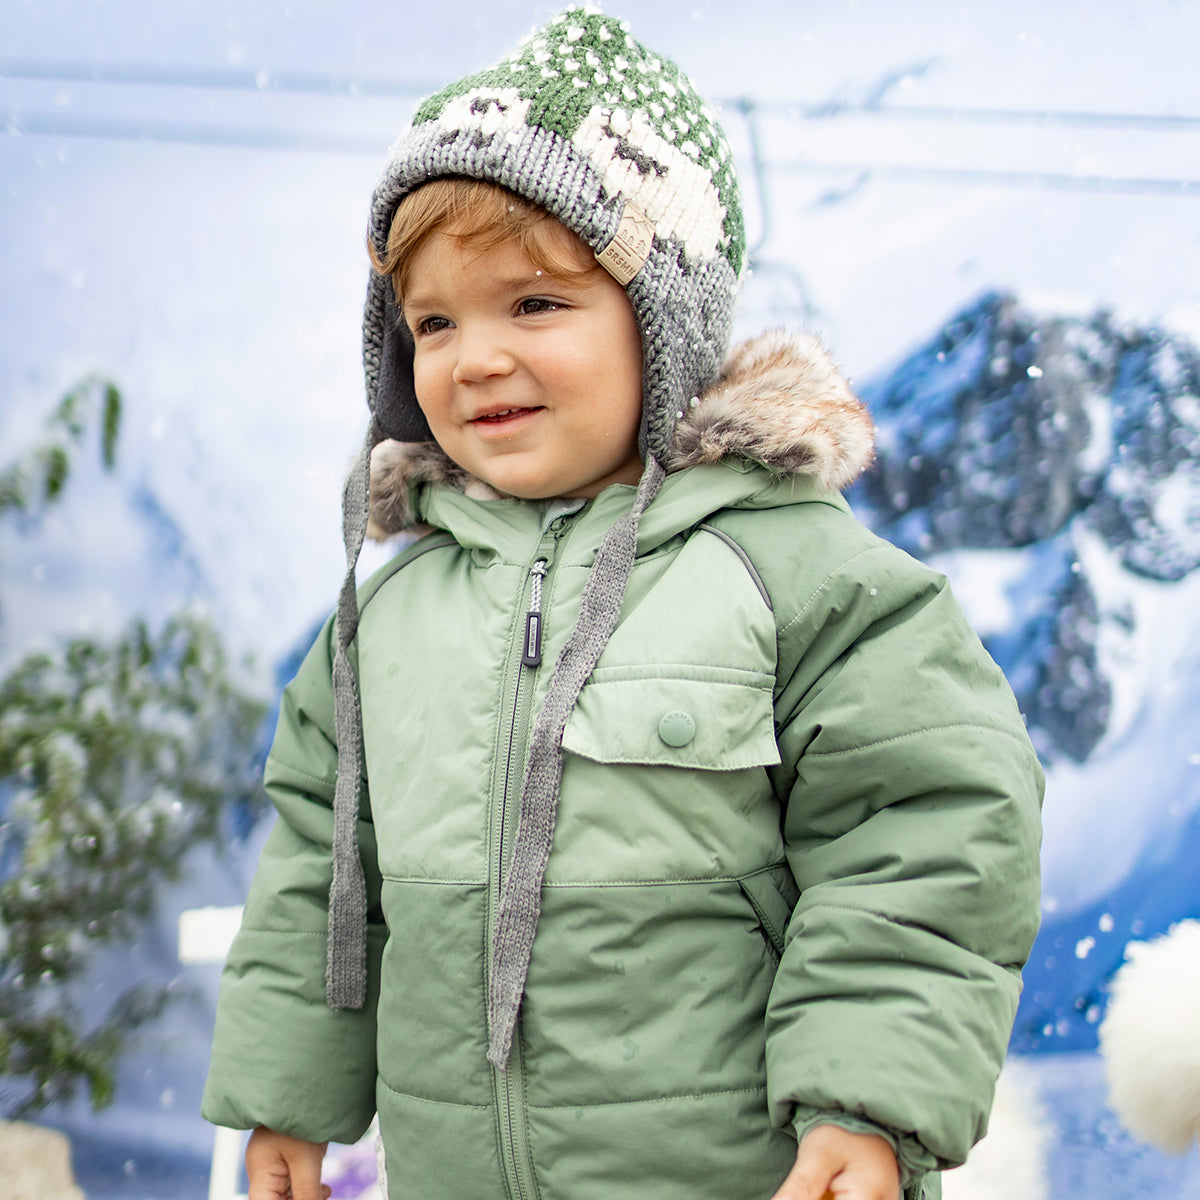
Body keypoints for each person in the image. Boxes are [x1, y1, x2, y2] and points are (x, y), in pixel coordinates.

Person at [202, 9, 1043, 1200]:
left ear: (667, 325)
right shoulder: (388, 615)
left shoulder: (796, 574)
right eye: (434, 321)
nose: (473, 357)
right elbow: (322, 875)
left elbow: (926, 837)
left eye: (535, 304)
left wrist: (867, 1101)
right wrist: (288, 1097)